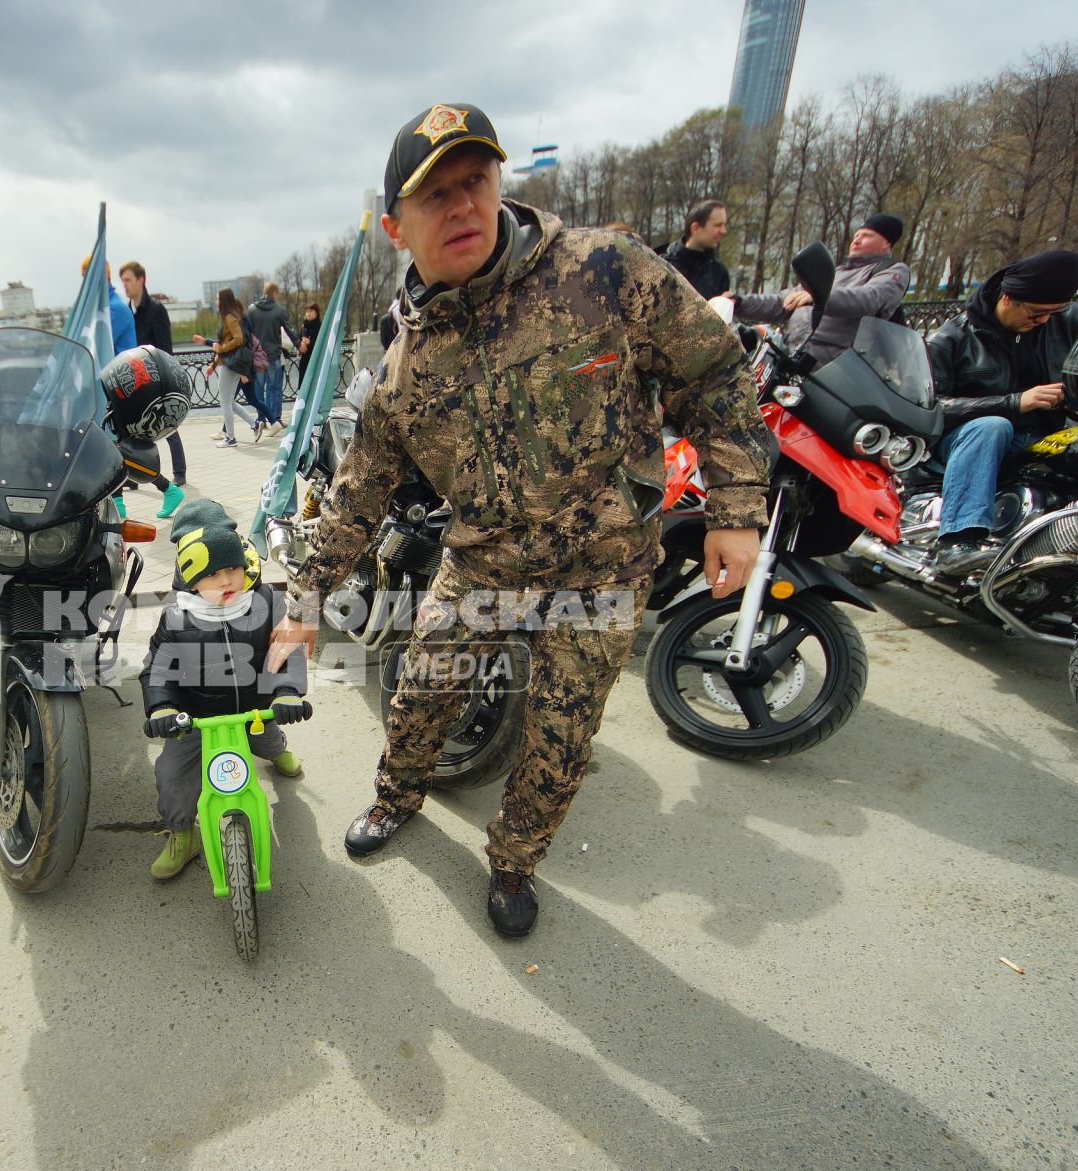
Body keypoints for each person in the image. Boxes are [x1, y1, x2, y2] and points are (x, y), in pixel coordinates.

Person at [267, 103, 771, 937]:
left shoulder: (604, 270)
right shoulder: (403, 370)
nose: (463, 206)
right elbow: (358, 492)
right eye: (436, 195)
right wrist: (304, 601)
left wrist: (737, 509)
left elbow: (713, 375)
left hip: (602, 568)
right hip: (484, 566)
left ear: (501, 183)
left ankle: (513, 864)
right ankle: (398, 797)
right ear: (398, 226)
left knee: (559, 738)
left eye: (476, 181)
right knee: (421, 694)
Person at [139, 499, 309, 879]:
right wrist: (162, 708)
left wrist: (286, 693)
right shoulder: (177, 617)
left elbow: (287, 649)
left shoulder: (265, 602)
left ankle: (278, 751)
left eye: (233, 568)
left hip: (255, 711)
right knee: (171, 775)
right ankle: (183, 834)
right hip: (195, 720)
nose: (227, 580)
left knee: (268, 741)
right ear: (191, 577)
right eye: (213, 574)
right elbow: (157, 667)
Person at [925, 248, 1078, 575]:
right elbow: (931, 406)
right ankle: (957, 541)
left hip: (1043, 435)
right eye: (1036, 313)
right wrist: (1015, 402)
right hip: (965, 438)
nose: (1044, 320)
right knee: (993, 426)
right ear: (1008, 299)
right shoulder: (954, 337)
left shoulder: (1069, 323)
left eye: (1052, 312)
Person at [734, 214, 910, 368]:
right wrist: (739, 302)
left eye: (866, 236)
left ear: (887, 242)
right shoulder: (837, 272)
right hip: (792, 358)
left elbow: (870, 298)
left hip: (833, 372)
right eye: (856, 235)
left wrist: (820, 296)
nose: (856, 240)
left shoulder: (893, 270)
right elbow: (783, 301)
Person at [121, 259, 185, 488]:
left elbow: (165, 348)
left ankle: (179, 472)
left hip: (155, 377)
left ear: (141, 280)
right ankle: (134, 477)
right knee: (134, 430)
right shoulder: (127, 312)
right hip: (133, 378)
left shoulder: (156, 310)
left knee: (166, 426)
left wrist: (162, 378)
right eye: (123, 281)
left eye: (128, 280)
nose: (125, 285)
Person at [243, 282, 298, 438]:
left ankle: (262, 419)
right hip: (273, 356)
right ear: (274, 293)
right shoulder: (279, 311)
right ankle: (276, 420)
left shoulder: (252, 310)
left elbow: (247, 332)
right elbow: (289, 330)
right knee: (274, 389)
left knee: (259, 390)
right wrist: (299, 344)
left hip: (257, 358)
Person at [203, 289, 256, 448]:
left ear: (224, 300)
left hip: (229, 363)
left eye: (218, 298)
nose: (216, 301)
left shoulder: (229, 317)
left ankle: (230, 438)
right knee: (229, 402)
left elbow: (238, 339)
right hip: (230, 363)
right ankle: (254, 424)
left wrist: (223, 348)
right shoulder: (231, 316)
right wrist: (214, 364)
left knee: (225, 402)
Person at [662, 199, 731, 299]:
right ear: (695, 228)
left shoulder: (719, 273)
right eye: (718, 225)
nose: (724, 231)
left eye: (724, 225)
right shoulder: (663, 265)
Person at [296, 301, 323, 377]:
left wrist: (310, 343)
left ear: (316, 313)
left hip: (316, 362)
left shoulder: (321, 327)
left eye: (311, 311)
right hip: (304, 362)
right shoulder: (304, 326)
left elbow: (323, 345)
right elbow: (298, 340)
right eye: (307, 311)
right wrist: (300, 346)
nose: (308, 314)